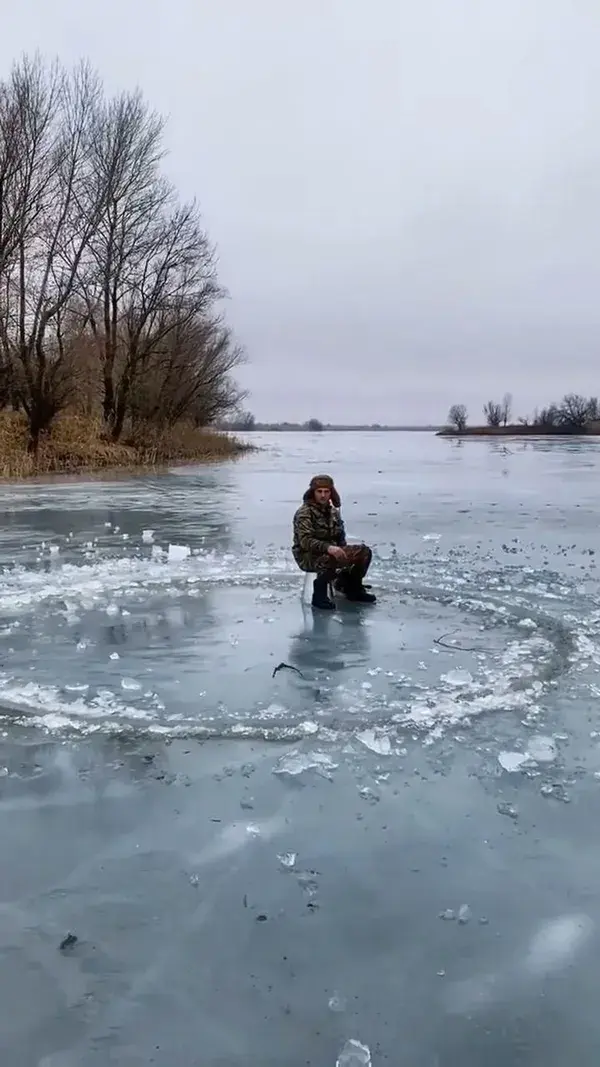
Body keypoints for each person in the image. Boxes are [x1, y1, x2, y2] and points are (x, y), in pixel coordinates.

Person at [292, 474, 376, 610]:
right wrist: (329, 548)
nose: (323, 495)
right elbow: (305, 541)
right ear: (313, 493)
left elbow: (340, 538)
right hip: (308, 555)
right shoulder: (304, 513)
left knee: (363, 552)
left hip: (331, 553)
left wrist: (345, 554)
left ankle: (352, 587)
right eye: (319, 491)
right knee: (330, 557)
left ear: (331, 493)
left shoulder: (333, 512)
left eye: (326, 491)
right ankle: (319, 594)